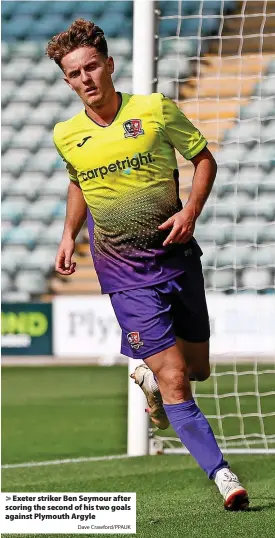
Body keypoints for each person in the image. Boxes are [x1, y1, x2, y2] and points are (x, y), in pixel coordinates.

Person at [47, 19, 249, 511]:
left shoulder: (154, 109)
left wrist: (190, 211)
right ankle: (223, 474)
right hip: (124, 274)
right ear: (68, 81)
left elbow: (203, 159)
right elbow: (80, 182)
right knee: (180, 376)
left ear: (109, 65)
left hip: (177, 259)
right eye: (74, 74)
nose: (85, 79)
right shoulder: (66, 135)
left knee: (196, 370)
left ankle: (154, 383)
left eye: (91, 67)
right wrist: (68, 235)